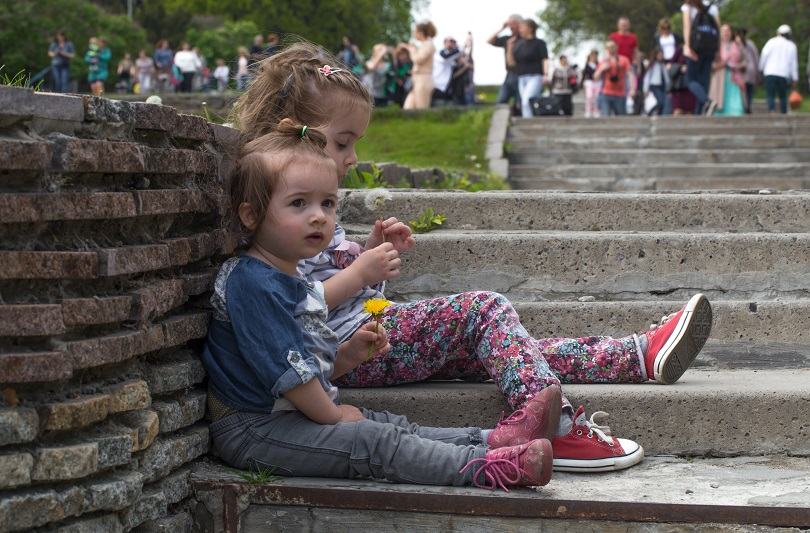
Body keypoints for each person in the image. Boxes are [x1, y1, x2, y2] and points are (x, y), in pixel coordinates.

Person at [232, 42, 716, 475]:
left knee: (513, 351)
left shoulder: (302, 206)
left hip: (366, 335)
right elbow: (299, 306)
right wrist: (359, 272)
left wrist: (365, 254)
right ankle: (558, 427)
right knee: (483, 311)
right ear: (293, 133)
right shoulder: (280, 215)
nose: (353, 157)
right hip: (345, 354)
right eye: (343, 142)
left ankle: (635, 355)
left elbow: (336, 288)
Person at [203, 118, 560, 490]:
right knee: (375, 441)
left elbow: (308, 364)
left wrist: (347, 355)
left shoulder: (288, 277)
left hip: (284, 416)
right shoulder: (252, 282)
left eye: (328, 203)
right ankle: (490, 467)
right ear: (251, 215)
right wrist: (332, 414)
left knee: (388, 424)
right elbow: (290, 376)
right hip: (253, 428)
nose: (319, 216)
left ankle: (492, 441)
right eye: (298, 203)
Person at [682, 0, 721, 114]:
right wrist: (718, 50)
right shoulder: (713, 8)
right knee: (704, 81)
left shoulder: (688, 6)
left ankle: (706, 101)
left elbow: (687, 27)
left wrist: (688, 46)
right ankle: (699, 111)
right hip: (710, 49)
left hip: (695, 48)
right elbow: (717, 30)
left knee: (690, 80)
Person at [507, 18, 548, 118]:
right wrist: (509, 48)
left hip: (535, 76)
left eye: (522, 27)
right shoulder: (519, 45)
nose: (520, 30)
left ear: (530, 28)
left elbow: (545, 59)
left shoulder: (539, 43)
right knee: (526, 102)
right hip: (521, 77)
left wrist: (546, 74)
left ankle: (529, 121)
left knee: (527, 100)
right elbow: (511, 63)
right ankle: (531, 119)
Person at [759, 24, 799, 114]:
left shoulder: (771, 42)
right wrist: (795, 78)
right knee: (783, 96)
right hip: (783, 74)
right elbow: (793, 64)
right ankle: (783, 113)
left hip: (770, 72)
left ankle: (772, 111)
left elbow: (764, 55)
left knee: (770, 94)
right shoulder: (792, 46)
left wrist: (760, 69)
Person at [488, 15, 523, 115]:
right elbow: (489, 40)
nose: (510, 26)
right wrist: (502, 28)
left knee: (520, 102)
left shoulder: (524, 39)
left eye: (513, 23)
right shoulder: (507, 39)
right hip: (510, 74)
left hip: (521, 74)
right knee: (501, 100)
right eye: (509, 24)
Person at [711, 25, 746, 116]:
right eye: (723, 31)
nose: (726, 33)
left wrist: (737, 66)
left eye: (727, 31)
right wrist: (721, 64)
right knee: (720, 95)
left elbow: (745, 61)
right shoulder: (715, 46)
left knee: (734, 96)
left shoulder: (737, 45)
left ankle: (736, 112)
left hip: (735, 75)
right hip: (720, 75)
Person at [595, 40, 635, 116]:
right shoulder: (603, 61)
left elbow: (630, 75)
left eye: (612, 46)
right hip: (606, 93)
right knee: (605, 117)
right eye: (608, 47)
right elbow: (595, 78)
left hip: (620, 94)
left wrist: (632, 89)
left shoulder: (624, 59)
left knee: (621, 118)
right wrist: (601, 69)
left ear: (616, 47)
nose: (610, 49)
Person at [404, 21, 437, 110]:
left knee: (421, 110)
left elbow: (418, 59)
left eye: (415, 32)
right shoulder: (423, 45)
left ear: (421, 33)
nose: (414, 34)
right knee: (408, 108)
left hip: (423, 80)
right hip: (417, 80)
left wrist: (412, 50)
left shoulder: (429, 45)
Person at [655, 18, 682, 114]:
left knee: (674, 83)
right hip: (664, 62)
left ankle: (674, 107)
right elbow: (657, 50)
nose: (666, 30)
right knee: (667, 84)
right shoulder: (658, 38)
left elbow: (679, 48)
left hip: (674, 61)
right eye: (663, 28)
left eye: (667, 28)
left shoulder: (674, 36)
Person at [432, 36, 461, 104]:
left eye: (453, 42)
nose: (452, 43)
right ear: (444, 43)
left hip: (446, 88)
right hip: (437, 86)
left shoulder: (452, 57)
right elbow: (445, 58)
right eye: (450, 41)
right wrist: (460, 49)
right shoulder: (440, 53)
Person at [737, 29, 759, 113]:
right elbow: (756, 57)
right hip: (752, 70)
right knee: (749, 90)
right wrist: (757, 71)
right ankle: (748, 105)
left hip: (742, 70)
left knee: (743, 90)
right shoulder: (751, 43)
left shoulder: (737, 44)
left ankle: (745, 106)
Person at [644, 47, 671, 115]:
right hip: (655, 85)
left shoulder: (663, 64)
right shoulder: (653, 65)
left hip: (663, 85)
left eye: (662, 55)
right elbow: (647, 77)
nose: (661, 56)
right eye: (659, 55)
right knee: (660, 101)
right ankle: (650, 112)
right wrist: (645, 89)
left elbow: (666, 76)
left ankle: (660, 114)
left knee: (664, 102)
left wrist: (668, 85)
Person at [581, 50, 600, 118]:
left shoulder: (598, 64)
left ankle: (596, 111)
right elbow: (584, 74)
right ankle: (588, 111)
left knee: (596, 97)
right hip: (589, 82)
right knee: (589, 96)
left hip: (597, 82)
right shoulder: (587, 65)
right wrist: (582, 83)